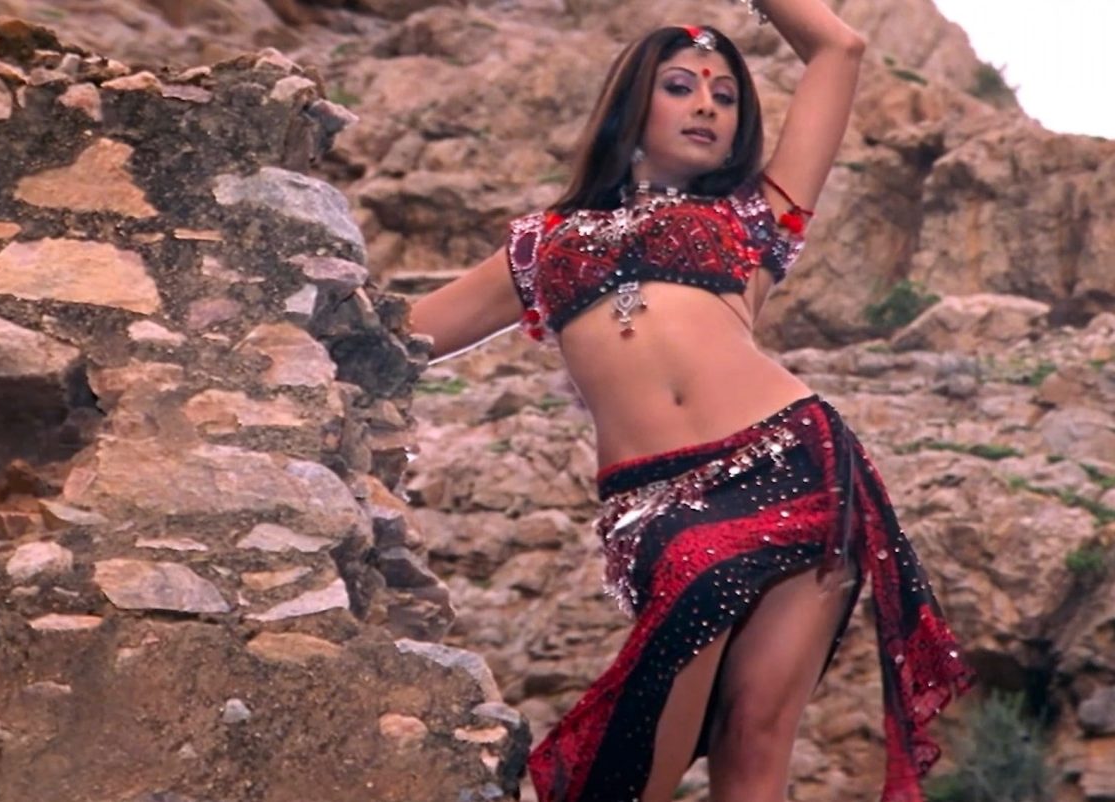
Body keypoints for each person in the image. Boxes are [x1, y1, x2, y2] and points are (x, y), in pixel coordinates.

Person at [407, 2, 973, 800]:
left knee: (757, 735)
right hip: (654, 508)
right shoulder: (541, 244)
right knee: (644, 758)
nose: (707, 104)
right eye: (681, 86)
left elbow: (838, 49)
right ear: (632, 104)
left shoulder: (757, 217)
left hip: (794, 467)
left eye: (725, 95)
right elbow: (401, 335)